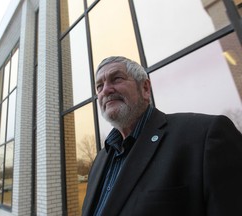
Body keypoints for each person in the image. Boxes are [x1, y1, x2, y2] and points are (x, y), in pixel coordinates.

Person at [82, 56, 242, 216]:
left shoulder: (205, 136)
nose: (106, 90)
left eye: (116, 79)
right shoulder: (99, 161)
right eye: (99, 86)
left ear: (145, 88)